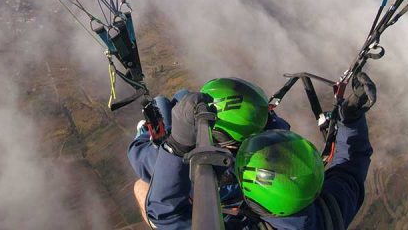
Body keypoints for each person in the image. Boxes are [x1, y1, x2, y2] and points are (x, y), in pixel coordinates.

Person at [128, 73, 376, 229]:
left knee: (141, 187)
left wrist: (176, 146)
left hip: (200, 188)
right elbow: (351, 166)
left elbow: (165, 215)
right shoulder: (329, 214)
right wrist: (351, 118)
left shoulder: (333, 211)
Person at [128, 78, 289, 227]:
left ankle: (155, 125)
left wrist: (176, 142)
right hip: (239, 197)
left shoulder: (221, 172)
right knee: (178, 97)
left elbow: (141, 160)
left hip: (216, 200)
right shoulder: (274, 142)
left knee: (140, 186)